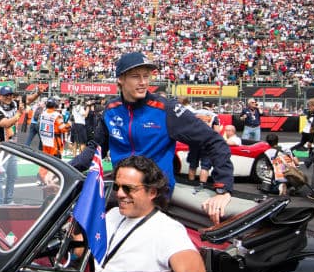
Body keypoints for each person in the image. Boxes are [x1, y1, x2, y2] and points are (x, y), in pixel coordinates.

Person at [70, 52, 234, 224]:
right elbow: (95, 149)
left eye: (146, 76)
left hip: (154, 193)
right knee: (76, 217)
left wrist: (223, 189)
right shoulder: (111, 109)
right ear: (121, 79)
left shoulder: (166, 109)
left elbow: (214, 141)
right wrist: (67, 170)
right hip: (122, 188)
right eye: (136, 77)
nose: (143, 82)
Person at [0, 86, 25, 204]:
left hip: (12, 147)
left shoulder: (14, 104)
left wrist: (38, 93)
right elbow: (5, 123)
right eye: (6, 95)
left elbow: (28, 99)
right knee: (0, 176)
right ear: (0, 96)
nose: (9, 97)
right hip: (0, 147)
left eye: (11, 95)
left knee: (13, 175)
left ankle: (8, 201)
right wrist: (18, 114)